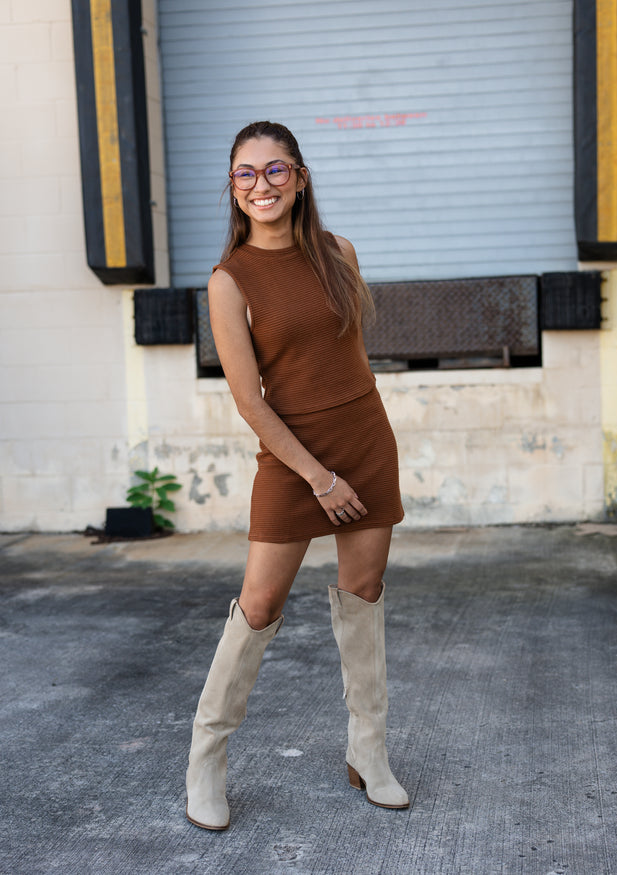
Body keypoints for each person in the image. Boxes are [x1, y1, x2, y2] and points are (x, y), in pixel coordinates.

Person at [185, 121, 409, 831]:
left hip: (364, 438)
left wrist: (348, 460)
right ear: (233, 187)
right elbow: (251, 401)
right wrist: (318, 476)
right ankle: (206, 759)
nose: (262, 185)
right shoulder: (229, 280)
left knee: (364, 590)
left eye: (276, 170)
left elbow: (346, 358)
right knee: (258, 603)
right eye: (246, 174)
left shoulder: (340, 252)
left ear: (301, 177)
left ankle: (368, 752)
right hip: (291, 458)